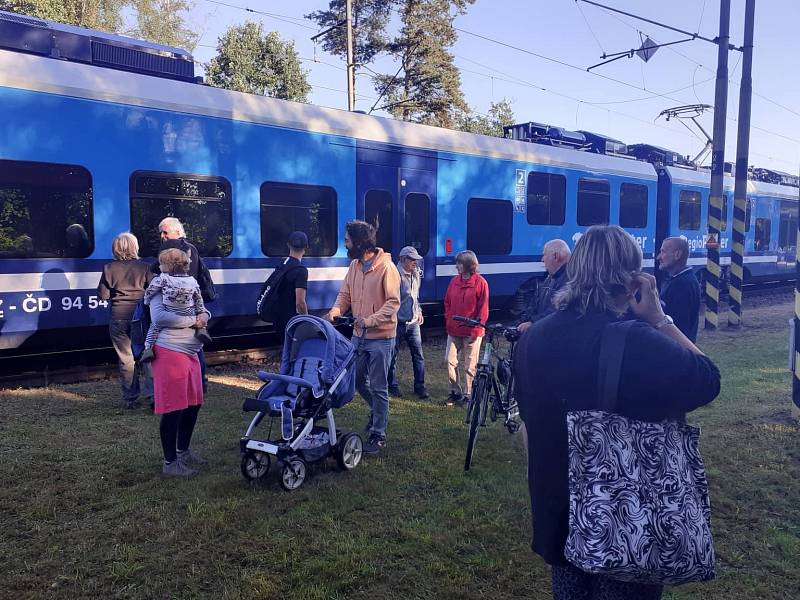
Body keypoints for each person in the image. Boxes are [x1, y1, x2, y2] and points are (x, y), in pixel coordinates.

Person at [514, 225, 721, 600]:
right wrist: (660, 318)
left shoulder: (532, 338)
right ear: (632, 280)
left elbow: (528, 420)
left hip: (558, 513)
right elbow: (708, 380)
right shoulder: (638, 340)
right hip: (624, 520)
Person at [325, 220, 400, 455]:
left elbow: (393, 303)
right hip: (358, 336)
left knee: (379, 387)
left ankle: (378, 434)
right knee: (356, 381)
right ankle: (377, 411)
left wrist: (370, 320)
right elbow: (345, 294)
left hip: (381, 337)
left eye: (347, 239)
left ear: (359, 242)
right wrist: (336, 311)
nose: (345, 243)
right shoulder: (354, 267)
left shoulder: (387, 268)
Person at [149, 277, 211, 478]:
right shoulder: (160, 289)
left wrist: (204, 316)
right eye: (183, 263)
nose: (187, 265)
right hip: (169, 352)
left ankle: (183, 452)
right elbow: (159, 318)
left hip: (191, 353)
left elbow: (204, 309)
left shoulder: (191, 286)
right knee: (173, 408)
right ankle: (170, 463)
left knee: (193, 404)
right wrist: (194, 320)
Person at [156, 217, 213, 390]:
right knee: (195, 342)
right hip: (191, 303)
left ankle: (193, 382)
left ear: (177, 232)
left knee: (184, 343)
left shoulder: (173, 252)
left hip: (180, 304)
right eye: (161, 233)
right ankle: (199, 381)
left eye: (165, 232)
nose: (162, 236)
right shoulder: (192, 249)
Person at [97, 233, 153, 408]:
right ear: (135, 247)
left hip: (118, 317)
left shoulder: (109, 268)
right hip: (141, 318)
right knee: (148, 356)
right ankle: (154, 397)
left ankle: (131, 399)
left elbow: (103, 295)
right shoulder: (145, 267)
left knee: (126, 359)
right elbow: (153, 291)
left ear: (115, 249)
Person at [139, 248, 212, 363]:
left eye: (161, 264)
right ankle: (202, 330)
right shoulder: (191, 280)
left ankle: (148, 348)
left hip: (171, 309)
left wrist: (146, 300)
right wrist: (201, 312)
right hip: (188, 310)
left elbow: (151, 290)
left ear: (168, 266)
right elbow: (198, 297)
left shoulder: (162, 278)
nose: (159, 267)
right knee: (196, 312)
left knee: (154, 327)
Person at [443, 250, 489, 406]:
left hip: (472, 331)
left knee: (470, 365)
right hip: (454, 329)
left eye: (460, 263)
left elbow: (483, 308)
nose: (457, 266)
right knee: (450, 360)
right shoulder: (454, 282)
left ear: (469, 265)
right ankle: (455, 392)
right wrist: (449, 319)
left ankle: (469, 394)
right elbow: (447, 302)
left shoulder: (481, 283)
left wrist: (477, 328)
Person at [387, 246, 429, 400]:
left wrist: (419, 311)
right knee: (392, 356)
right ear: (403, 259)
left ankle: (420, 386)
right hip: (397, 323)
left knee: (418, 355)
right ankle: (391, 385)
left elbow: (415, 296)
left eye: (416, 260)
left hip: (413, 323)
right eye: (412, 259)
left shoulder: (415, 273)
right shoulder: (394, 275)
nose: (415, 262)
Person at [518, 239, 571, 333]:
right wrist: (526, 319)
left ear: (556, 256)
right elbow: (536, 303)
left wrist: (533, 323)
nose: (542, 259)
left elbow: (558, 310)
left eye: (544, 254)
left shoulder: (570, 280)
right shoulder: (550, 278)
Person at [657, 236, 701, 342]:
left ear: (677, 255)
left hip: (675, 350)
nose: (658, 257)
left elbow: (678, 327)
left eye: (663, 252)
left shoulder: (682, 285)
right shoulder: (684, 280)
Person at [272, 231, 309, 343]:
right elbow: (300, 303)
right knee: (294, 354)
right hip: (292, 321)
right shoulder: (301, 270)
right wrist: (307, 320)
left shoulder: (282, 265)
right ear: (306, 247)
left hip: (278, 319)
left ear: (288, 245)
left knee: (285, 352)